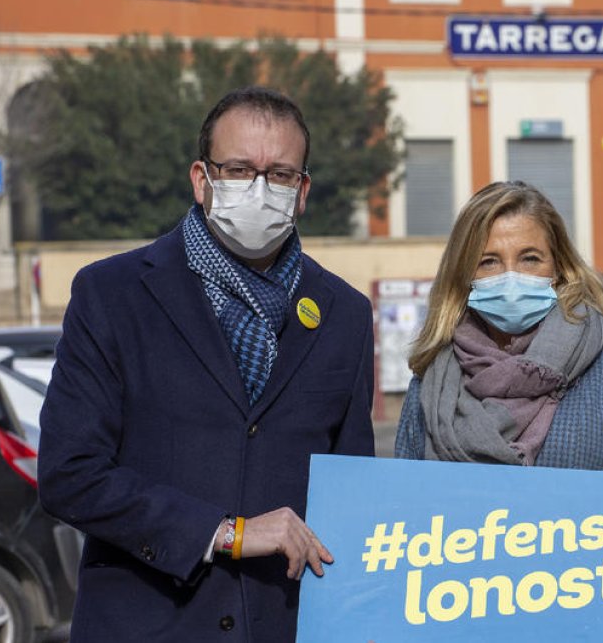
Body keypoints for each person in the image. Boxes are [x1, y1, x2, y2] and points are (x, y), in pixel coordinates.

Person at [38, 86, 375, 642]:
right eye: (238, 169)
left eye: (280, 174)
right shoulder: (113, 294)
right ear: (202, 179)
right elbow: (69, 475)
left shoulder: (345, 313)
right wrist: (224, 533)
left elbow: (354, 493)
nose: (260, 188)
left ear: (302, 191)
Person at [395, 181, 603, 473]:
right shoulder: (433, 380)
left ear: (559, 268)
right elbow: (403, 494)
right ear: (464, 275)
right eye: (489, 262)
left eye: (530, 259)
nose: (511, 277)